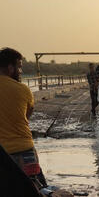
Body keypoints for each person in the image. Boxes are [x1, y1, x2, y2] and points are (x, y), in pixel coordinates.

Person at [0, 47, 48, 190]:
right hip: (25, 150)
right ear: (10, 68)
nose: (20, 71)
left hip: (2, 153)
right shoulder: (23, 90)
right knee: (37, 189)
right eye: (19, 67)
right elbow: (27, 115)